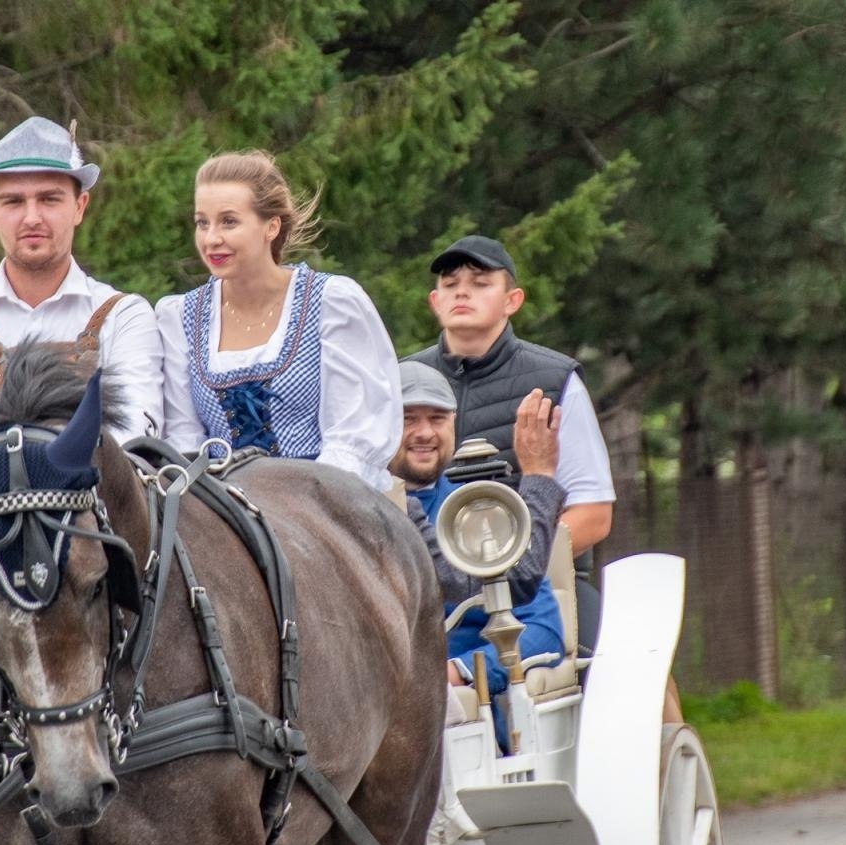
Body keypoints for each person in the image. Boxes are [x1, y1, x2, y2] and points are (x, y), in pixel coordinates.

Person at [0, 117, 165, 552]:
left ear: (80, 206)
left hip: (87, 548)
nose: (31, 216)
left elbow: (133, 441)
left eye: (50, 199)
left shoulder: (123, 316)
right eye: (14, 201)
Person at [156, 151, 401, 489]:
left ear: (271, 226)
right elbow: (182, 440)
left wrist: (296, 509)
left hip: (321, 502)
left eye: (229, 221)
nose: (211, 238)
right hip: (220, 512)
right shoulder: (179, 318)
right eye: (202, 222)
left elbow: (353, 437)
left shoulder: (332, 303)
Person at [392, 361, 566, 750]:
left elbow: (544, 630)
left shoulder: (483, 514)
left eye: (437, 418)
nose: (424, 433)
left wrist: (460, 671)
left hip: (468, 725)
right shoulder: (350, 508)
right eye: (407, 419)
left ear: (454, 426)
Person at [406, 235, 615, 556]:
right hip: (420, 582)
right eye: (450, 285)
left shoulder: (557, 382)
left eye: (480, 283)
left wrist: (508, 563)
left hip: (539, 583)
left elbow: (593, 515)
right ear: (435, 301)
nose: (461, 291)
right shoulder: (399, 381)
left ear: (512, 300)